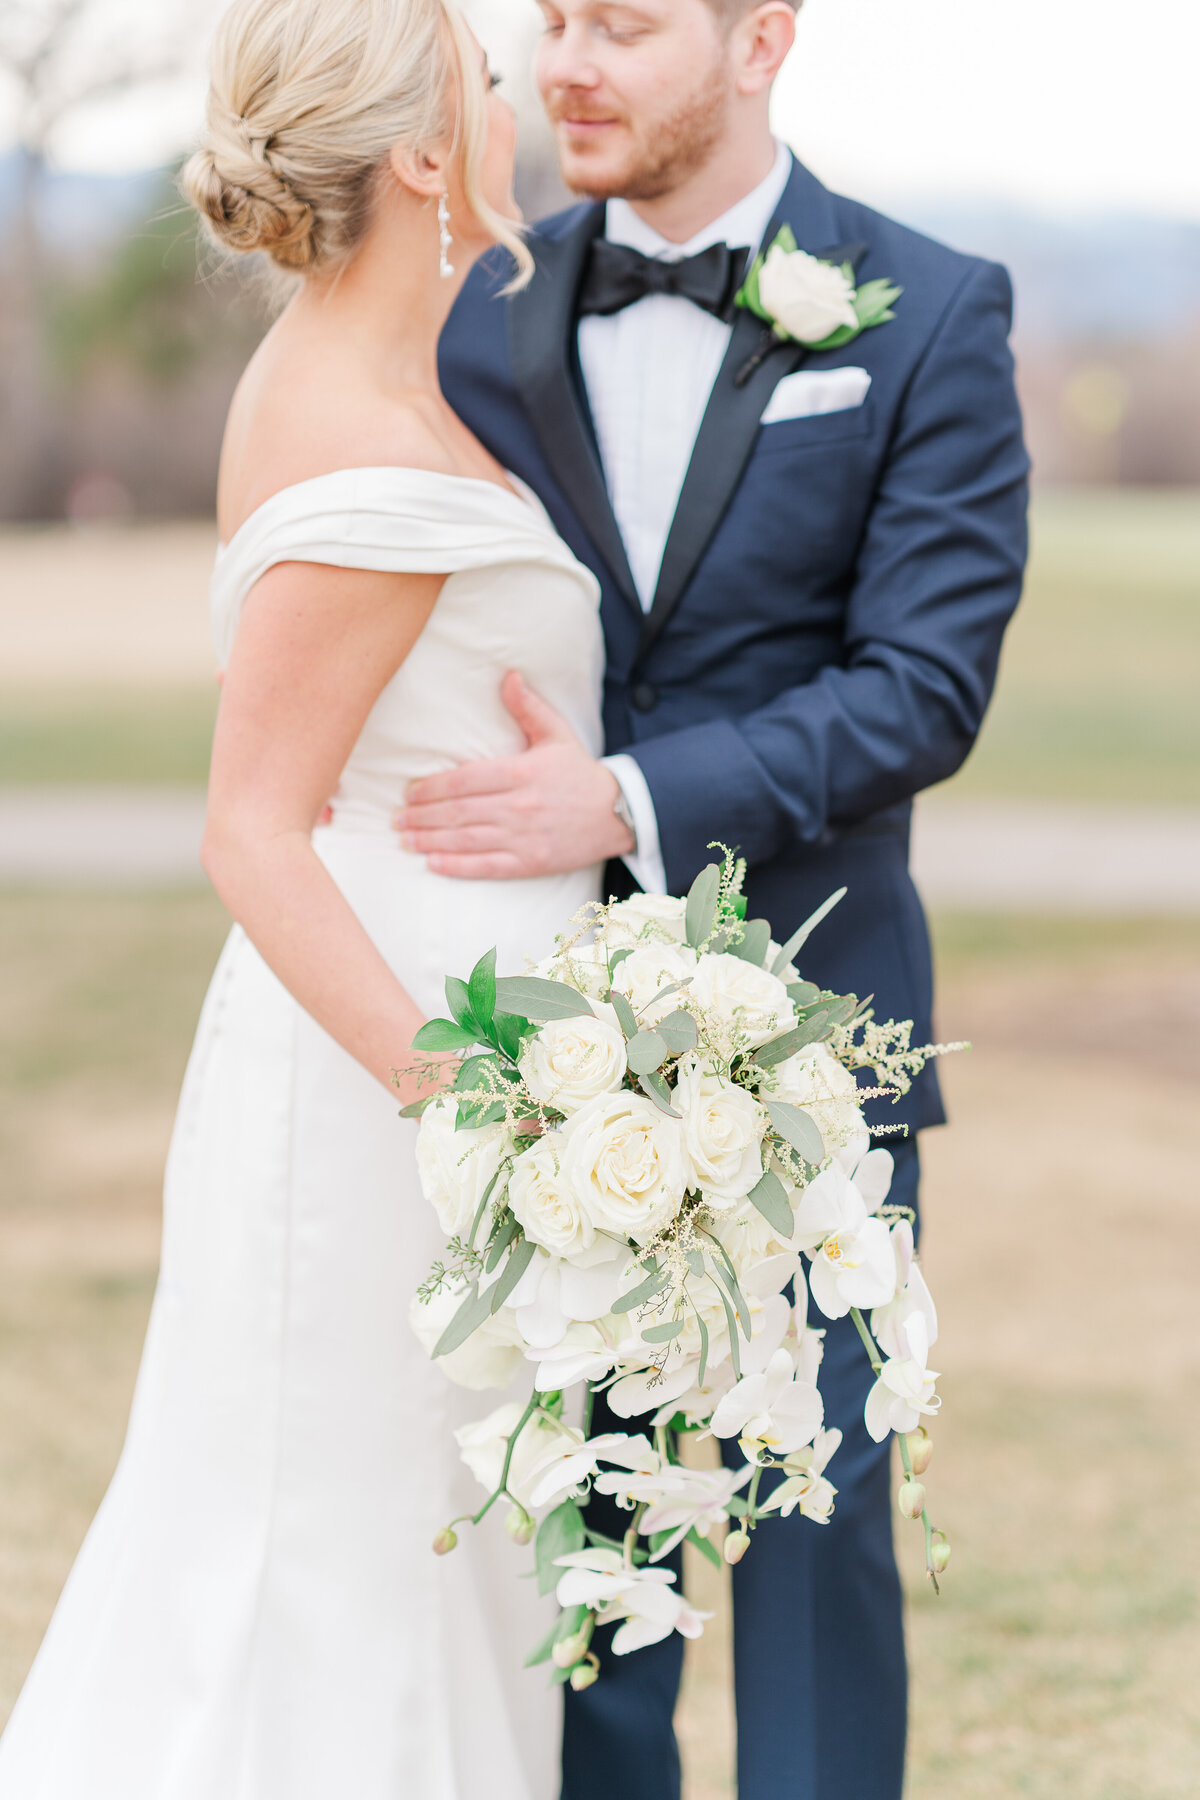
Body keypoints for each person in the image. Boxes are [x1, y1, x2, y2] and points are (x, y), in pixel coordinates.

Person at [394, 0, 1031, 1795]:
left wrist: (623, 795)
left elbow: (925, 689)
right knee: (587, 1523)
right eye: (555, 22)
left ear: (762, 40)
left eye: (628, 22)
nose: (570, 62)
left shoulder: (929, 307)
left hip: (820, 1023)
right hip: (539, 1017)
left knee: (816, 1525)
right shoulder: (478, 310)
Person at [0, 1, 612, 1795]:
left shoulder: (386, 385)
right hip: (391, 1091)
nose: (513, 101)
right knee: (328, 1566)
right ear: (425, 154)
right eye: (486, 82)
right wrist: (468, 1103)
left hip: (438, 1062)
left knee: (429, 1560)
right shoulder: (361, 441)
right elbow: (253, 827)